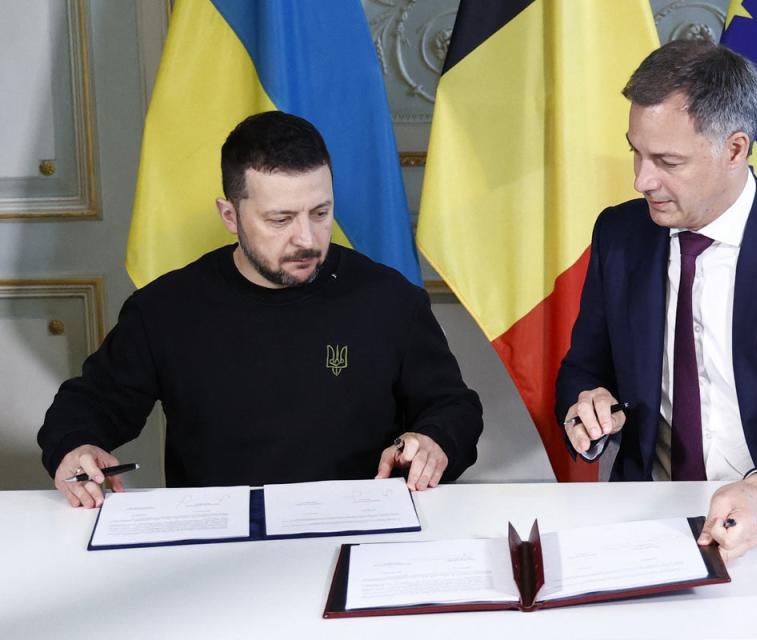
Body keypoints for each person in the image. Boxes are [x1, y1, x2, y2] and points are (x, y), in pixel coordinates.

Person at [39, 110, 483, 508]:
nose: (307, 239)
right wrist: (76, 447)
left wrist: (433, 440)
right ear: (230, 216)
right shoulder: (165, 309)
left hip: (362, 532)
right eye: (280, 219)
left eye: (320, 212)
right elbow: (88, 406)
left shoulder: (388, 298)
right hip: (219, 546)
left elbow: (453, 407)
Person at [555, 40, 757, 561]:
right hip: (645, 518)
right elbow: (582, 369)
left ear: (734, 150)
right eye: (635, 152)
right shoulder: (619, 234)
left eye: (667, 161)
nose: (642, 180)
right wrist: (586, 407)